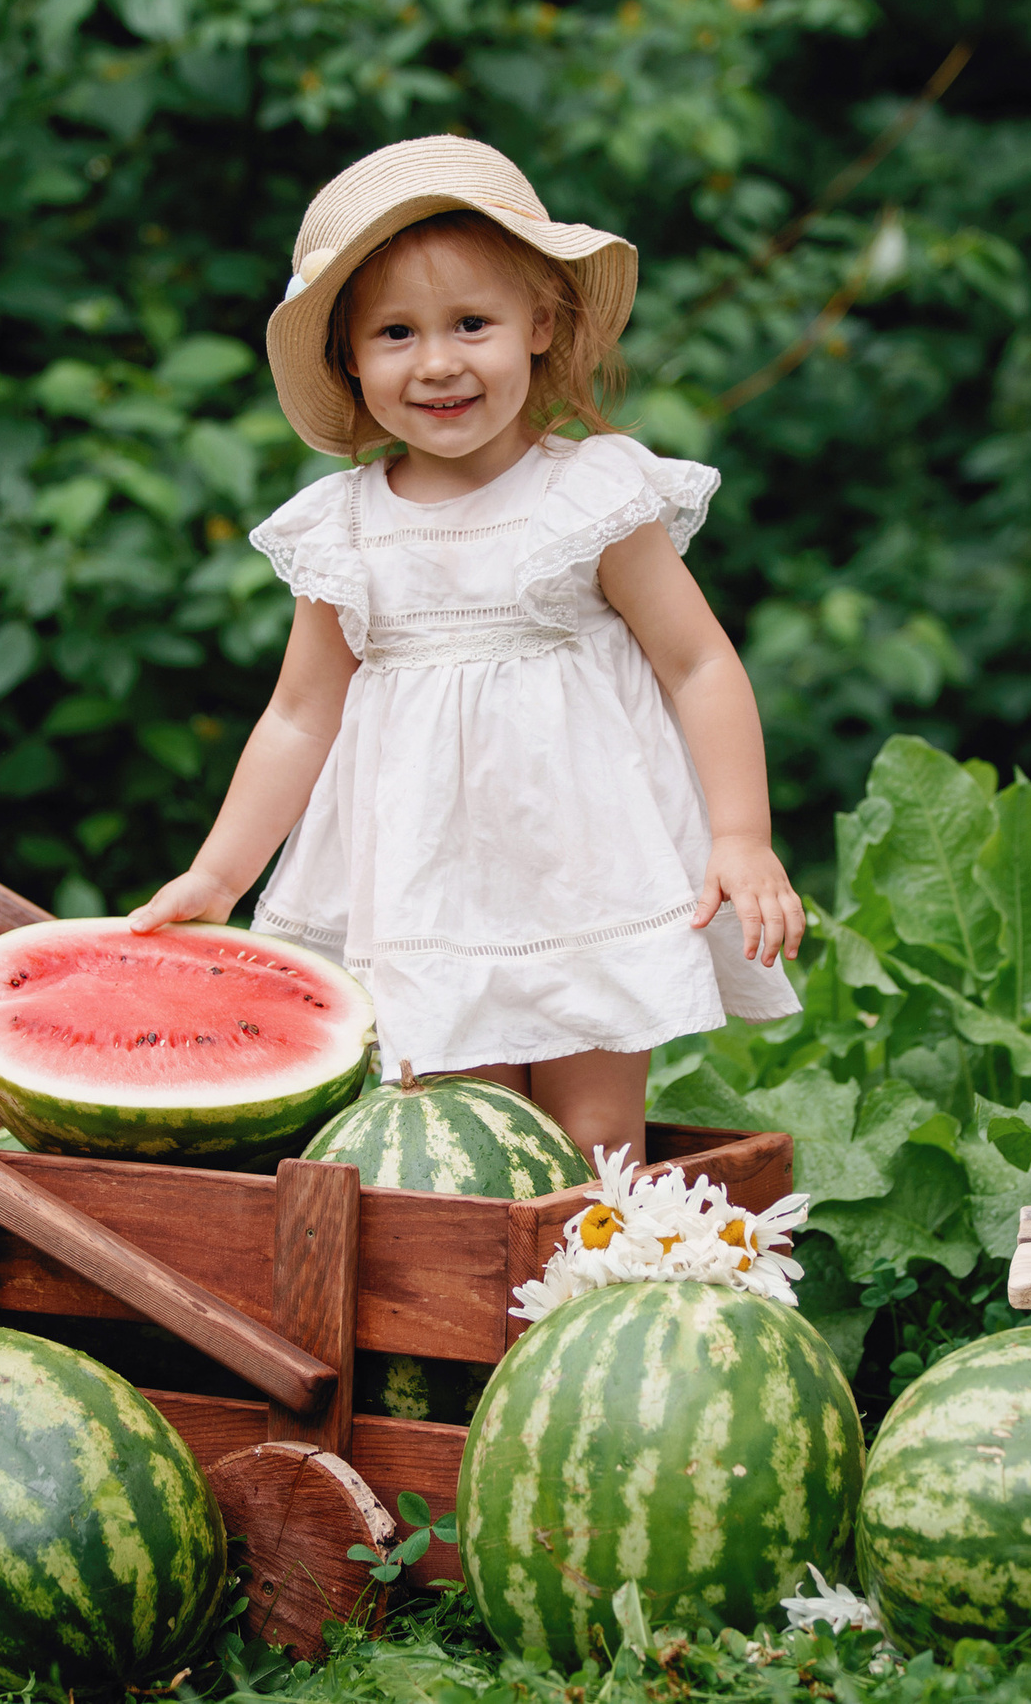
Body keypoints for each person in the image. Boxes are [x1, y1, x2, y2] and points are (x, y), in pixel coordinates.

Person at [128, 135, 803, 1153]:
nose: (437, 362)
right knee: (458, 1140)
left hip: (587, 866)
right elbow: (298, 714)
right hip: (423, 883)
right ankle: (473, 1312)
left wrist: (739, 835)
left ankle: (596, 1300)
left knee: (593, 1134)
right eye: (396, 332)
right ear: (350, 359)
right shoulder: (345, 528)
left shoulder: (590, 494)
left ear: (539, 324)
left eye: (470, 323)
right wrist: (220, 875)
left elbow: (696, 661)